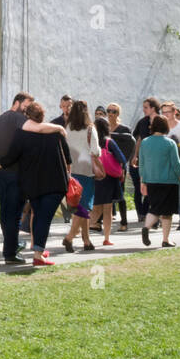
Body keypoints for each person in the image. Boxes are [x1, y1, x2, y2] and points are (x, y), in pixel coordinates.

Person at [1, 101, 70, 266]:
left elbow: (11, 157)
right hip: (55, 183)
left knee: (39, 216)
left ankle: (38, 250)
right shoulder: (55, 132)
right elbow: (67, 157)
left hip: (32, 185)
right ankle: (38, 254)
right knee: (44, 218)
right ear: (42, 116)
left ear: (26, 117)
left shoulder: (20, 135)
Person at [0, 92, 34, 264]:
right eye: (26, 105)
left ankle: (11, 245)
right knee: (14, 215)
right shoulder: (20, 119)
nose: (27, 110)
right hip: (15, 174)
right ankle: (10, 252)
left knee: (5, 213)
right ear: (17, 103)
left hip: (0, 173)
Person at [137, 114, 180, 248]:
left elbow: (141, 164)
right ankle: (166, 239)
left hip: (151, 181)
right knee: (167, 213)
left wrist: (142, 181)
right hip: (169, 182)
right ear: (166, 127)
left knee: (154, 208)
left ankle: (147, 227)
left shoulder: (145, 142)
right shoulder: (170, 143)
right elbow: (177, 164)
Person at [61, 100, 102, 252]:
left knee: (80, 206)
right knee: (84, 206)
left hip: (72, 169)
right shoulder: (90, 129)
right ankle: (70, 237)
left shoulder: (68, 128)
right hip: (86, 170)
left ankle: (86, 240)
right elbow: (95, 151)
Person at [92, 118, 125, 245]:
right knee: (108, 210)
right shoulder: (109, 142)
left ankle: (81, 232)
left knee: (95, 208)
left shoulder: (92, 142)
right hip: (110, 179)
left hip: (96, 177)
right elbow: (121, 158)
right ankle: (106, 238)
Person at [129, 97, 160, 224]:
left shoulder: (161, 121)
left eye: (146, 107)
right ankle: (142, 213)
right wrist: (135, 156)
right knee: (141, 187)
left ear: (153, 108)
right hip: (143, 159)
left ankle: (152, 214)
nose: (143, 110)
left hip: (157, 160)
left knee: (153, 187)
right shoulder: (142, 122)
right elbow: (138, 139)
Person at [106, 104, 134, 231]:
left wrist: (123, 166)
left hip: (119, 166)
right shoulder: (104, 128)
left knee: (120, 195)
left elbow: (129, 148)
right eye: (109, 111)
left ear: (118, 113)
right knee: (105, 195)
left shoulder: (124, 129)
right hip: (106, 165)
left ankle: (124, 222)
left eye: (114, 111)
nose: (110, 113)